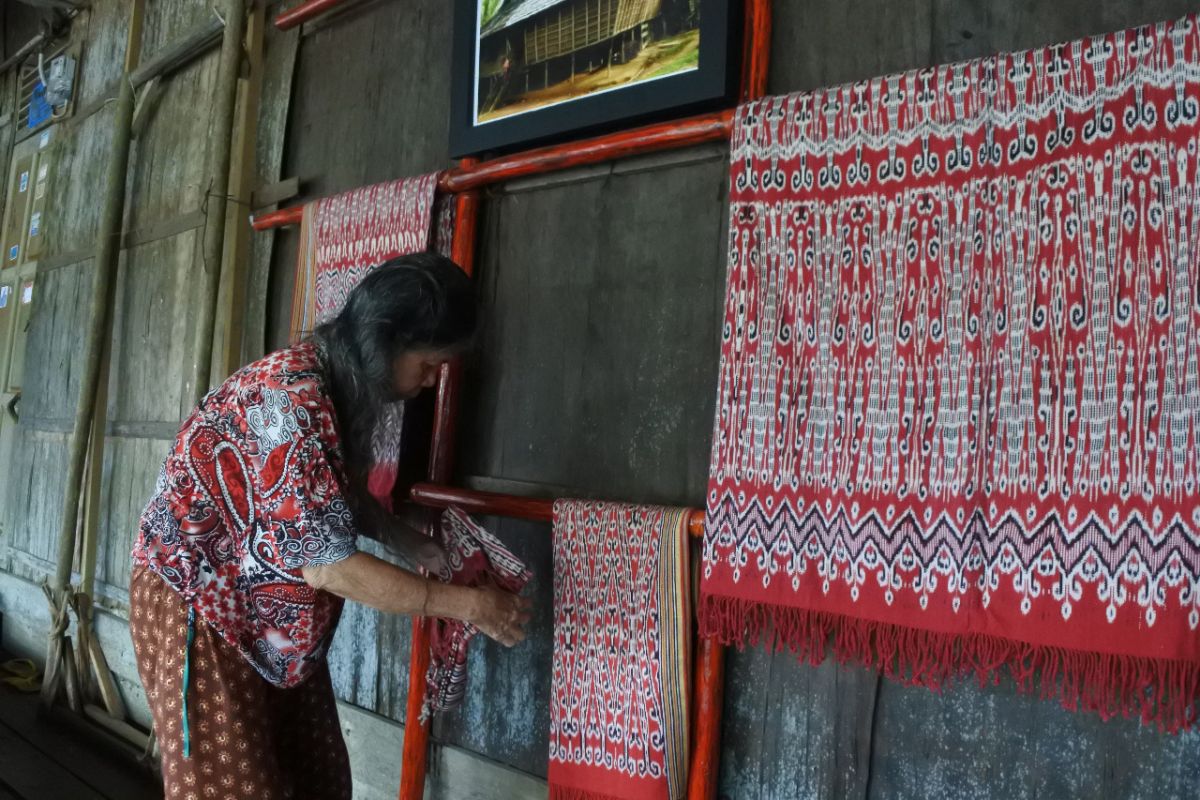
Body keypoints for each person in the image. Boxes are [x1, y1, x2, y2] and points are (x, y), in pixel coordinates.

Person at [128, 252, 530, 800]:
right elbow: (330, 566)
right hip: (203, 603)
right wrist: (474, 608)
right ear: (384, 342)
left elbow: (325, 501)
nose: (434, 381)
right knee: (235, 788)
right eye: (430, 364)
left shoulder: (330, 390)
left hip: (267, 610)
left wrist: (410, 540)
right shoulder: (291, 403)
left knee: (315, 777)